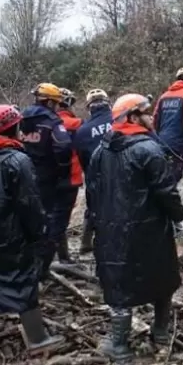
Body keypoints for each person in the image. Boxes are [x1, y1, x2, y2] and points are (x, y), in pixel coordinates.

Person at [86, 93, 183, 361]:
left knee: (119, 285)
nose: (152, 116)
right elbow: (168, 193)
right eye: (145, 111)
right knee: (163, 278)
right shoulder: (150, 150)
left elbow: (92, 195)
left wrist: (97, 226)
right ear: (131, 117)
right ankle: (160, 332)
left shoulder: (99, 152)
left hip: (112, 233)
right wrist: (179, 219)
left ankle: (119, 344)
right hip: (151, 231)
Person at [0, 105, 65, 354]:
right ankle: (38, 339)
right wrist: (37, 235)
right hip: (11, 236)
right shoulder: (18, 161)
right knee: (22, 282)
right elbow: (29, 203)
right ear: (13, 127)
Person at [20, 83, 73, 279]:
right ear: (50, 101)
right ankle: (40, 271)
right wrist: (62, 170)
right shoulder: (52, 121)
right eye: (57, 103)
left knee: (26, 222)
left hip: (23, 176)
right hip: (47, 179)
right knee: (48, 223)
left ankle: (26, 266)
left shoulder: (22, 118)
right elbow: (64, 146)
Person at [73, 88, 113, 254]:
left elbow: (82, 159)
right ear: (108, 104)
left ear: (89, 107)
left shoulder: (82, 131)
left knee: (93, 209)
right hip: (122, 176)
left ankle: (86, 242)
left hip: (94, 178)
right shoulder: (120, 121)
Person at [153, 67, 183, 183]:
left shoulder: (163, 97)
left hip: (161, 143)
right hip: (179, 144)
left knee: (162, 175)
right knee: (175, 176)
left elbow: (155, 120)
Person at [54, 88, 84, 264]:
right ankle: (62, 257)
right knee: (62, 219)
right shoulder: (76, 123)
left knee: (51, 216)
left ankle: (58, 255)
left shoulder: (45, 123)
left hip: (47, 179)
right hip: (71, 178)